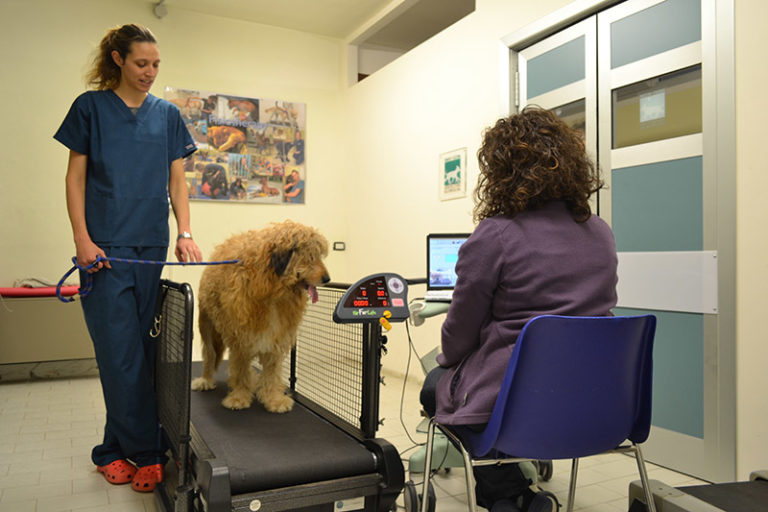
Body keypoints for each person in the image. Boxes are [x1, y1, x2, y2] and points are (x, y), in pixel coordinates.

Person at [420, 106, 618, 512]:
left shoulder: (495, 235)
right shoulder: (600, 231)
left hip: (516, 400)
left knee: (434, 386)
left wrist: (448, 364)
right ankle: (514, 495)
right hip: (599, 397)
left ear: (501, 172)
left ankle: (505, 496)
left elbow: (459, 336)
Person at [54, 24, 202, 493]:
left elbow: (177, 181)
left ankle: (110, 450)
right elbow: (75, 178)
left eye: (156, 65)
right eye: (141, 64)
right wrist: (82, 237)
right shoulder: (90, 107)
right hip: (101, 251)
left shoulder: (168, 115)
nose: (150, 73)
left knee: (138, 353)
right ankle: (147, 451)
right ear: (118, 59)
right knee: (119, 356)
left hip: (149, 247)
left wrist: (185, 232)